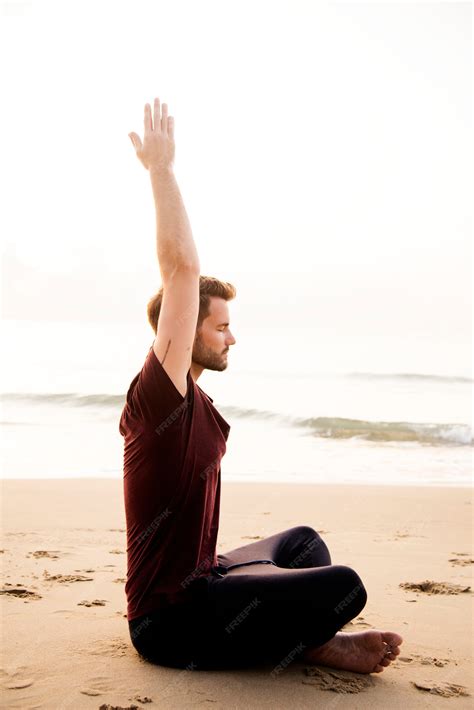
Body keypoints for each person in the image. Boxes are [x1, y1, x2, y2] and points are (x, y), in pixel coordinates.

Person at [120, 97, 403, 672]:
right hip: (167, 620)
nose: (231, 338)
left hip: (206, 577)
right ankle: (315, 643)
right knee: (344, 586)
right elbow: (180, 270)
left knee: (303, 544)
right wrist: (162, 170)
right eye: (220, 327)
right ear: (181, 330)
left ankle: (304, 638)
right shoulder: (159, 395)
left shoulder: (197, 400)